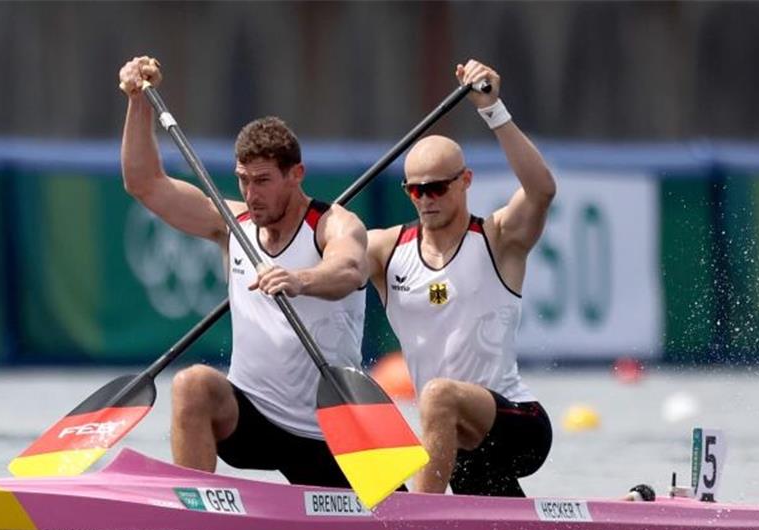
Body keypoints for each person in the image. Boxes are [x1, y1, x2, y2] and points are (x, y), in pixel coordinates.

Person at [118, 55, 370, 486]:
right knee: (193, 384)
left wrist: (299, 279)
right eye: (242, 180)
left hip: (324, 432)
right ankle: (195, 507)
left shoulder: (335, 225)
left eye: (263, 180)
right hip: (252, 420)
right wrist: (137, 101)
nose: (251, 195)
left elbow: (349, 270)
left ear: (296, 174)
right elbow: (145, 184)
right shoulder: (232, 225)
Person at [366, 59, 556, 496]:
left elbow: (542, 191)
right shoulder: (385, 250)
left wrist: (493, 110)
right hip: (458, 443)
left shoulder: (499, 238)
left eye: (438, 188)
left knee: (437, 395)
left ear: (465, 181)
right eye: (416, 190)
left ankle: (417, 523)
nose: (426, 199)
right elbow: (331, 254)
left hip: (519, 427)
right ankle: (633, 502)